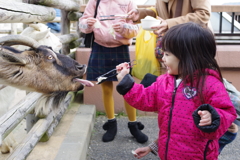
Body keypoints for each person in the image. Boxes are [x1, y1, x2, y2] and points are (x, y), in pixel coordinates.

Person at [116, 22, 237, 159]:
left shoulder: (209, 84)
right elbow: (145, 99)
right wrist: (126, 82)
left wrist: (213, 117)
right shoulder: (164, 81)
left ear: (188, 57)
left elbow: (227, 113)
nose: (163, 59)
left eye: (167, 54)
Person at [78, 0, 148, 143]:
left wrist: (123, 28)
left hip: (120, 48)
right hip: (100, 47)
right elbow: (83, 23)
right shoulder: (95, 2)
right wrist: (88, 24)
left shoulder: (128, 2)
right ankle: (111, 124)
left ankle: (133, 125)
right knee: (106, 89)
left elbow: (135, 30)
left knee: (127, 88)